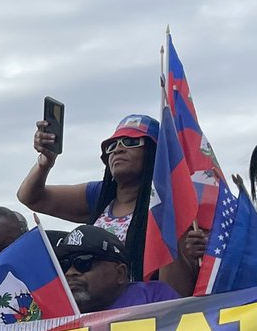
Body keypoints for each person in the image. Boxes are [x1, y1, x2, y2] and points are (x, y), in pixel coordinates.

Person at [16, 114, 203, 295]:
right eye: (112, 145)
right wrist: (44, 162)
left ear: (155, 154)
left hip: (145, 312)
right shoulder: (99, 196)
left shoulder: (168, 206)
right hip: (96, 310)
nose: (118, 150)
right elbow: (31, 197)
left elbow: (173, 294)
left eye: (131, 142)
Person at [55, 225, 179, 311]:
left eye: (83, 262)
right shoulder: (54, 314)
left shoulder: (155, 298)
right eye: (64, 264)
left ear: (120, 273)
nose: (70, 272)